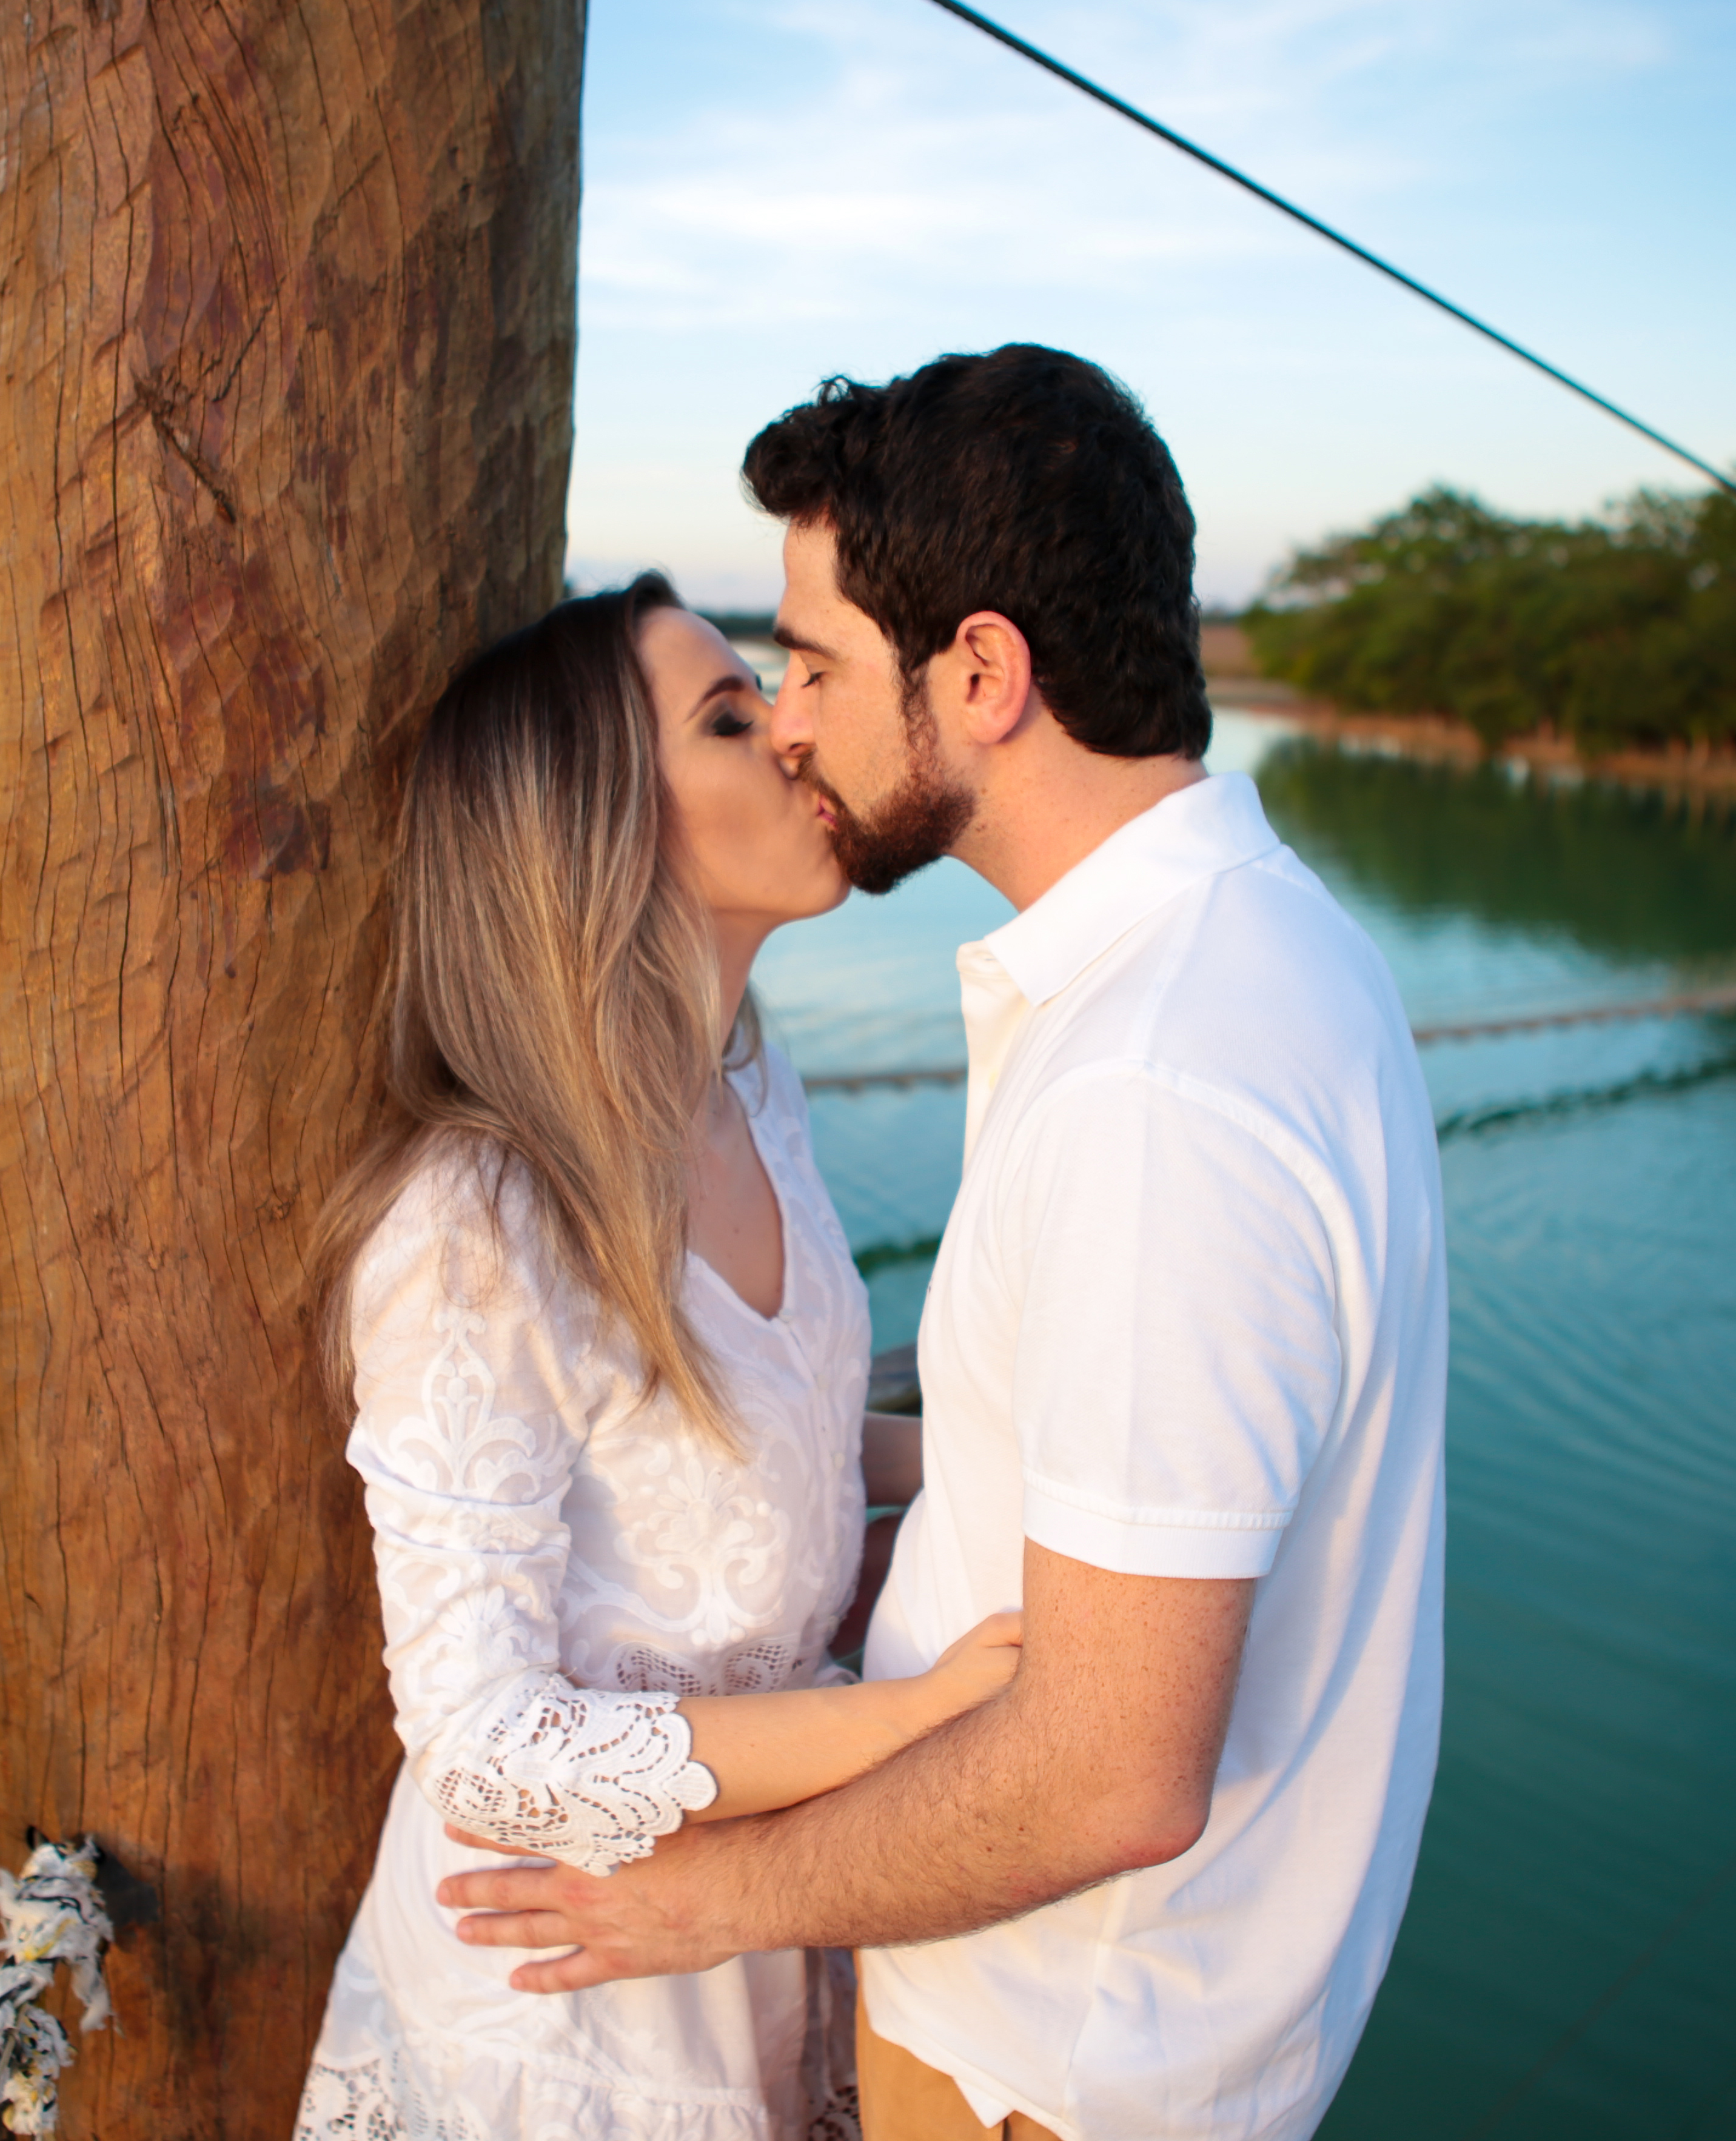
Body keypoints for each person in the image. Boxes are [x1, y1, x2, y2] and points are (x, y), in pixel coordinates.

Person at [438, 346, 1450, 2141]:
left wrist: (703, 1905)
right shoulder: (1252, 955)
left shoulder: (1157, 1079)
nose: (797, 721)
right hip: (1105, 2029)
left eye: (814, 666)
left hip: (1057, 2057)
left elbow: (1109, 1779)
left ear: (981, 672)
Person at [292, 574, 1025, 2140]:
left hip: (766, 1921)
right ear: (598, 827)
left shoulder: (752, 1089)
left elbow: (805, 1438)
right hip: (570, 2005)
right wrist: (912, 1725)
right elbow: (483, 1745)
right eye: (729, 719)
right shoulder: (477, 1227)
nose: (796, 731)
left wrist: (1043, 1482)